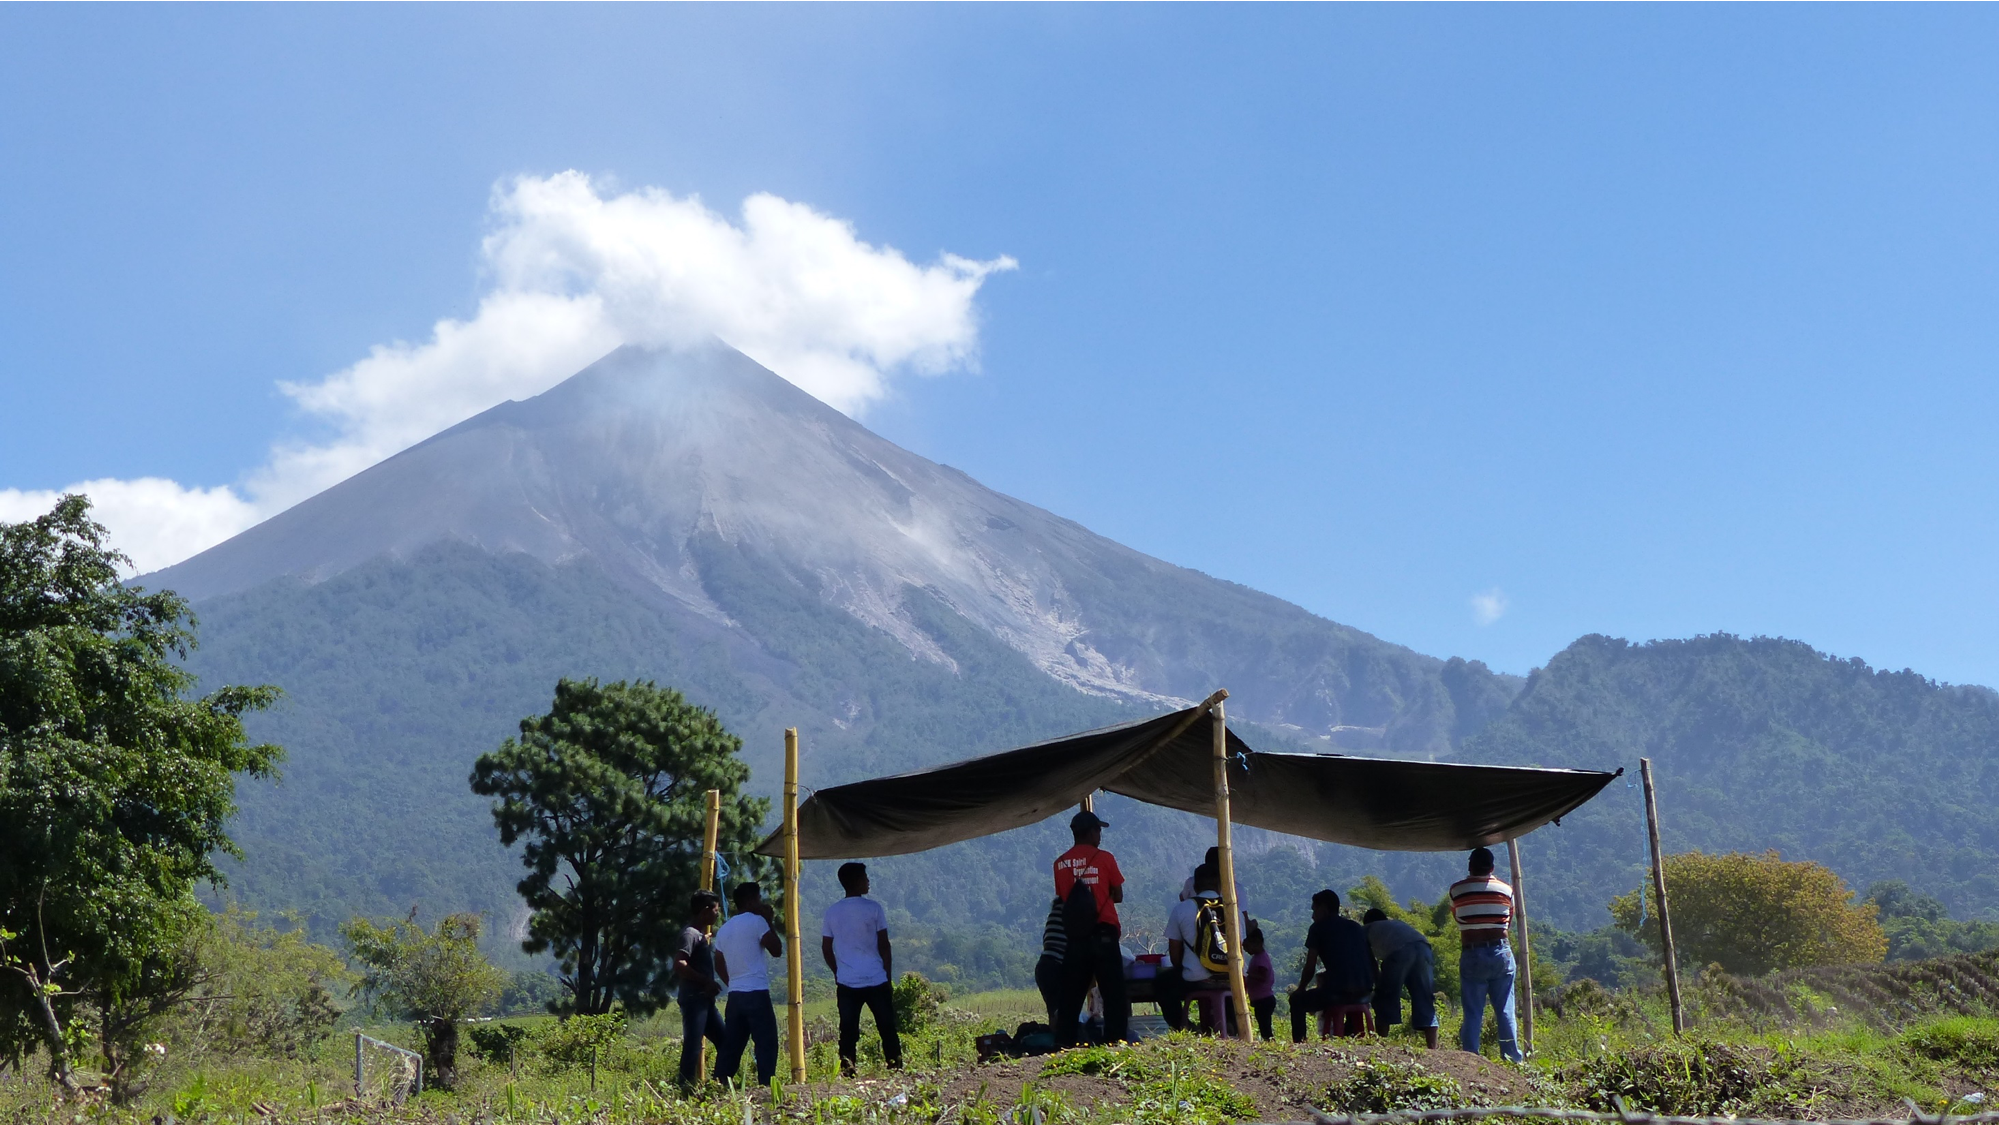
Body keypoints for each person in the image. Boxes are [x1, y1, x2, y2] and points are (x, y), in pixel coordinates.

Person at [1053, 809, 1129, 1045]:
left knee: (1071, 994)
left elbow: (1064, 898)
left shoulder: (1060, 863)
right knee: (1113, 992)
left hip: (1076, 937)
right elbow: (1118, 895)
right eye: (1098, 830)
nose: (1100, 836)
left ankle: (1065, 1043)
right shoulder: (1105, 858)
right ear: (1092, 832)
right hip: (1104, 933)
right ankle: (1115, 1041)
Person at [821, 861, 902, 1076]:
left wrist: (837, 972)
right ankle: (896, 1069)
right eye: (865, 877)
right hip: (876, 978)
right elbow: (884, 945)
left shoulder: (832, 912)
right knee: (887, 1028)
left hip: (847, 981)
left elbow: (826, 948)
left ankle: (848, 1072)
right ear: (856, 881)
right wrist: (888, 976)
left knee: (847, 1031)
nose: (868, 881)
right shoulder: (874, 909)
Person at [1451, 847, 1523, 1062]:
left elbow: (1458, 918)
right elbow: (1507, 921)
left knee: (1473, 1011)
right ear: (1492, 868)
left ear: (1470, 866)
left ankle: (1470, 1058)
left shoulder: (1457, 890)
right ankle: (1512, 1059)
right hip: (1500, 951)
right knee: (1505, 1010)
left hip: (1472, 952)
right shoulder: (1506, 890)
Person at [712, 881, 785, 1086]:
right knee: (766, 1043)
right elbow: (776, 950)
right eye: (759, 898)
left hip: (735, 994)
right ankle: (766, 1085)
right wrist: (768, 921)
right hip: (757, 991)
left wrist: (732, 982)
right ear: (752, 900)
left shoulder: (725, 929)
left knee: (732, 1044)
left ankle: (719, 1083)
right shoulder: (757, 922)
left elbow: (718, 963)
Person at [1161, 864, 1245, 1034]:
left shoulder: (1181, 909)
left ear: (1195, 885)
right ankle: (1230, 1024)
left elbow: (1175, 957)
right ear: (1220, 886)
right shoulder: (1233, 910)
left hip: (1197, 979)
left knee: (1163, 983)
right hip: (1233, 977)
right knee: (1228, 982)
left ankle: (1183, 1027)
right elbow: (1240, 948)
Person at [1289, 889, 1374, 1041]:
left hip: (1338, 992)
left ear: (1324, 908)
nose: (1312, 916)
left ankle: (1299, 1042)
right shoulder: (1355, 927)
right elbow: (1370, 961)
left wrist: (1301, 988)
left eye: (1314, 910)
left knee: (1297, 1001)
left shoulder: (1318, 928)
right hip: (1365, 990)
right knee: (1347, 1004)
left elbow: (1310, 966)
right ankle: (1351, 1035)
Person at [1361, 907, 1439, 1049]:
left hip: (1400, 951)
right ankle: (1433, 1047)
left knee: (1385, 997)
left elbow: (1370, 961)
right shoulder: (1395, 924)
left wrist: (1377, 983)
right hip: (1424, 947)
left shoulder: (1366, 929)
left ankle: (1381, 1044)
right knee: (1424, 997)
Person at [673, 890, 726, 1089]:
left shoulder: (697, 935)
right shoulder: (689, 935)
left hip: (703, 1000)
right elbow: (679, 964)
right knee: (693, 1046)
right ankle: (685, 1088)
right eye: (715, 910)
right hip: (695, 999)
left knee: (725, 1042)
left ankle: (718, 1083)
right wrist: (706, 981)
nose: (717, 915)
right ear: (705, 911)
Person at [1034, 894, 1067, 1026]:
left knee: (1053, 1010)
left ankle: (1056, 1039)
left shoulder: (1055, 913)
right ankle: (1061, 1039)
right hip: (1054, 967)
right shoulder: (1069, 913)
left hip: (1043, 966)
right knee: (1060, 1010)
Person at [1243, 926, 1277, 1040]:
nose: (1247, 950)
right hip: (1262, 999)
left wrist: (1250, 975)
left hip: (1264, 1000)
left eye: (1248, 946)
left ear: (1257, 943)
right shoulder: (1258, 957)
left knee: (1265, 1025)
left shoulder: (1261, 959)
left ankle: (1269, 1041)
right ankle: (1268, 1040)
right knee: (1263, 1024)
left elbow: (1263, 976)